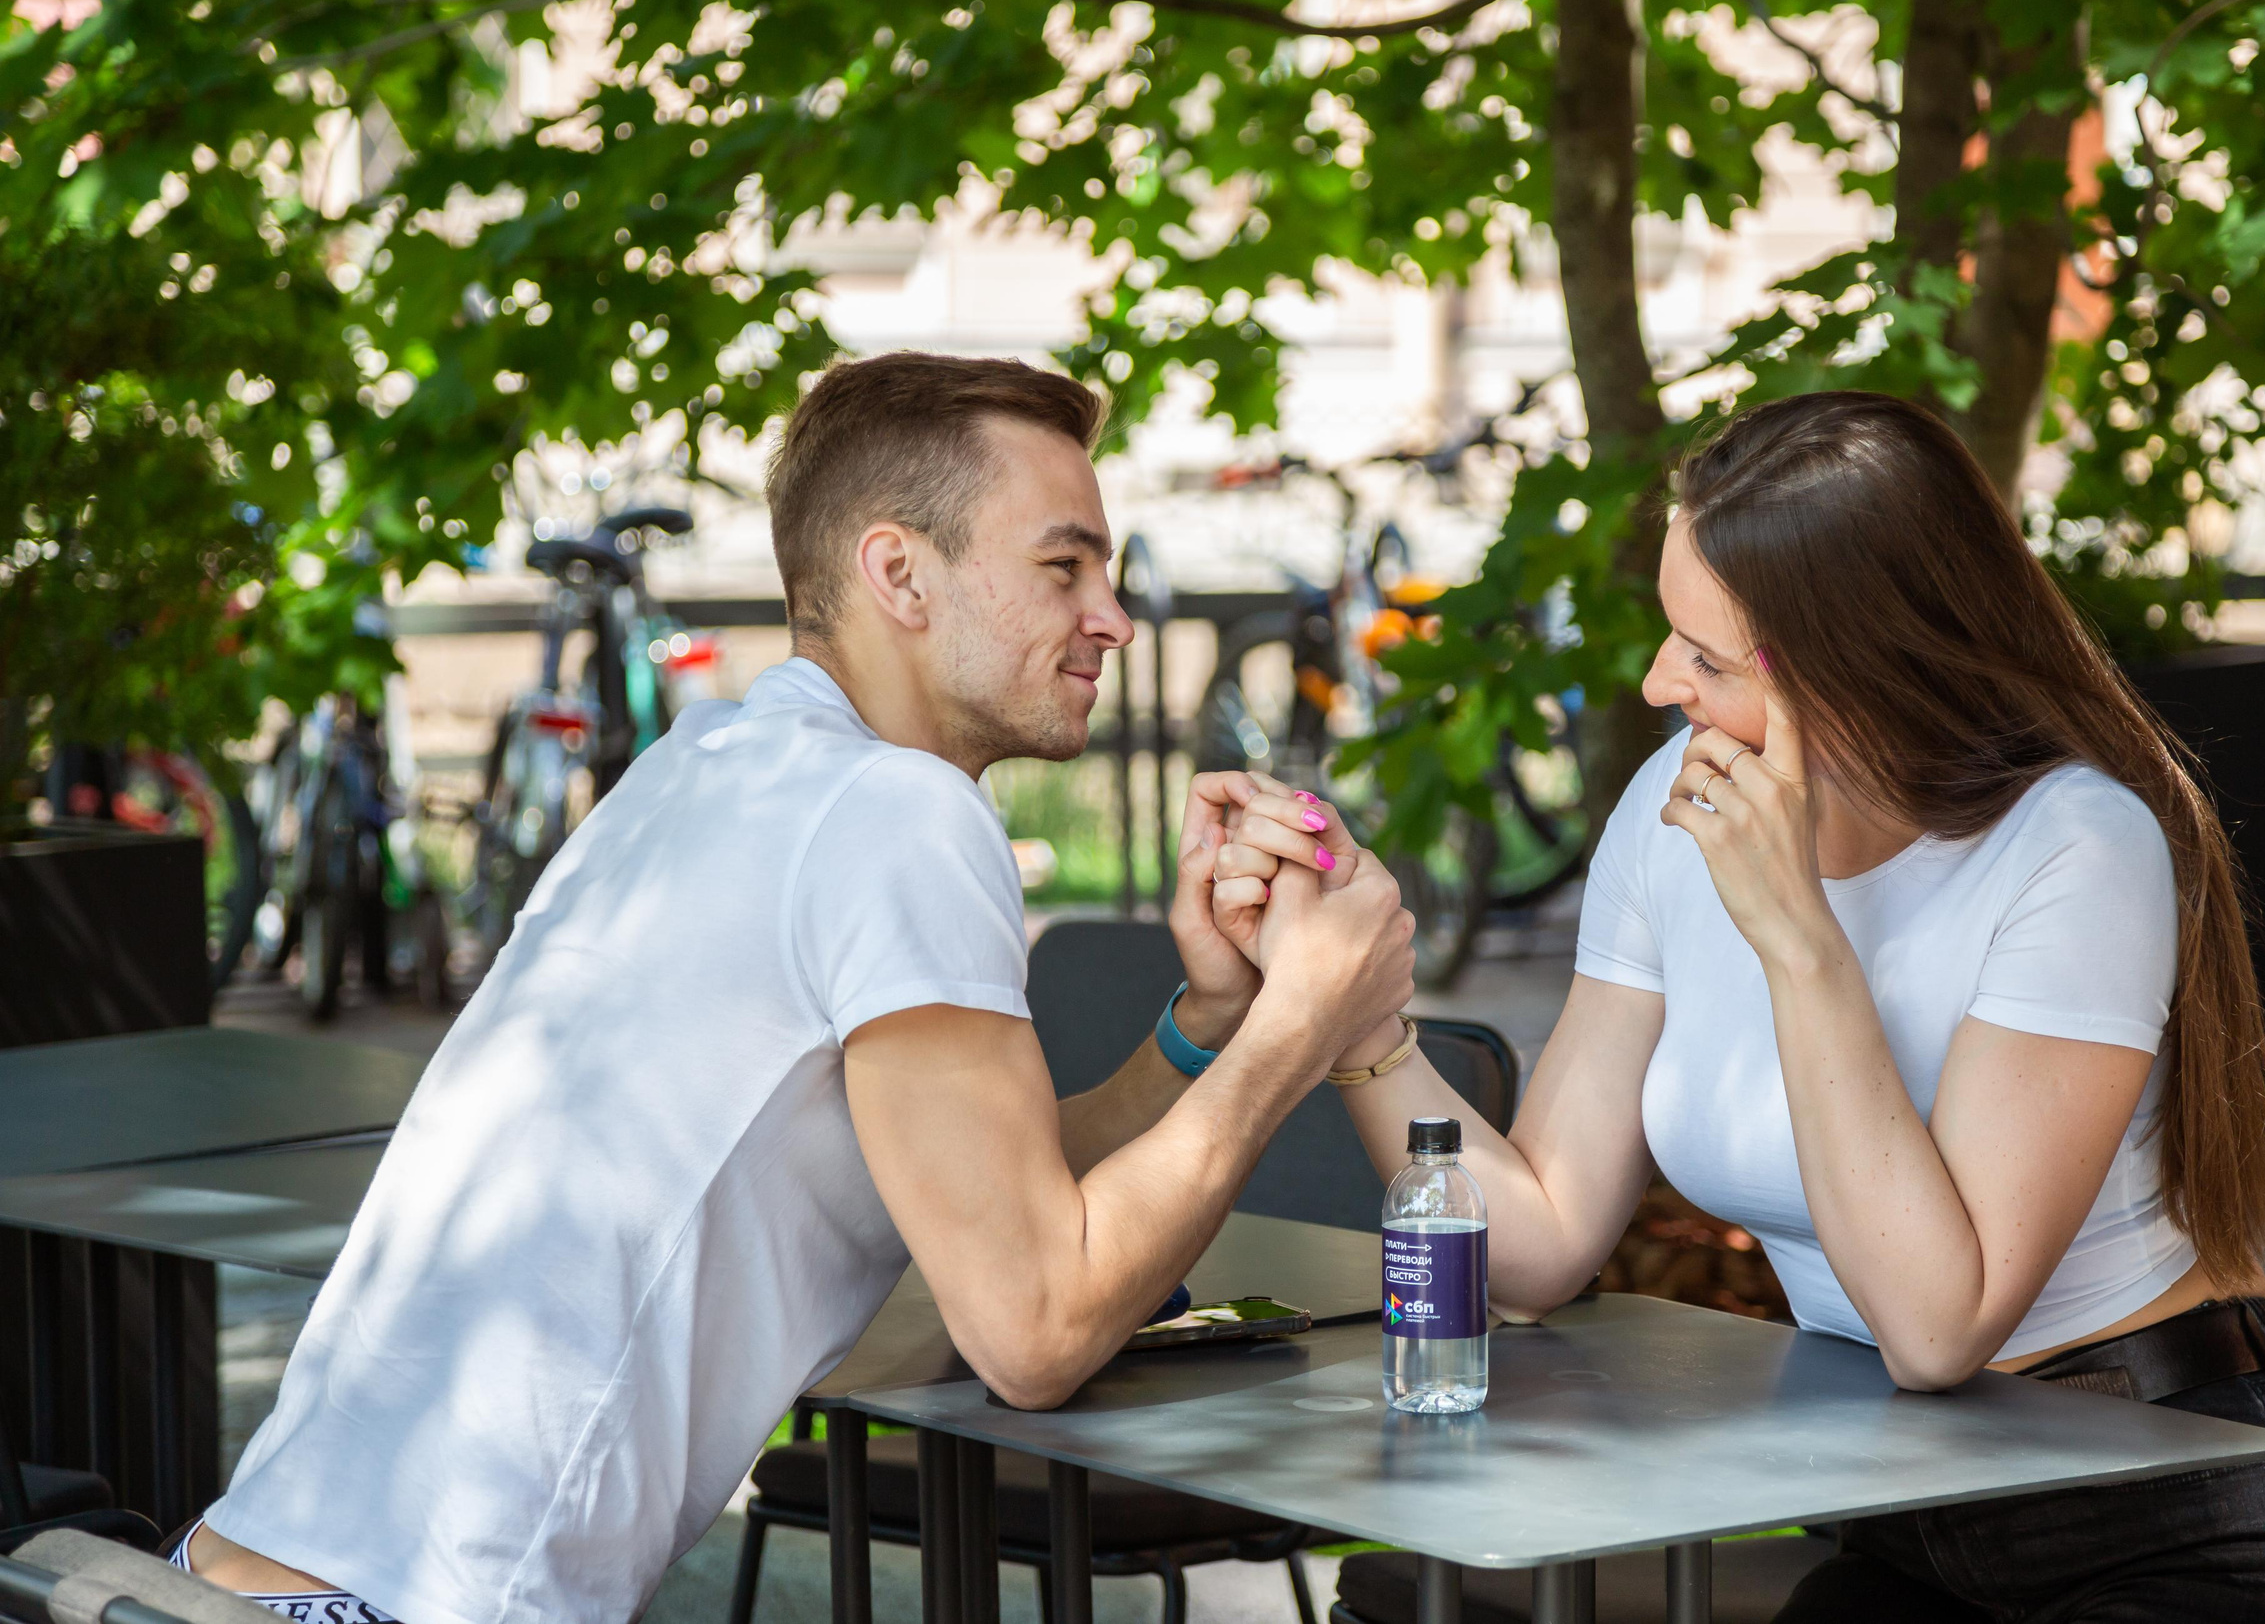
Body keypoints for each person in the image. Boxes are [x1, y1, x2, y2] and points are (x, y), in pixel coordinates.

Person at [178, 351, 1416, 1624]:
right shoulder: (900, 812)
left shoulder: (704, 763)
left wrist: (1208, 1026)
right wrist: (1301, 1024)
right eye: (1064, 566)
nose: (1112, 615)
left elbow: (1000, 1194)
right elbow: (1036, 1328)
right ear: (898, 574)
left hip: (218, 1575)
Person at [1216, 392, 2265, 1622]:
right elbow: (1544, 1241)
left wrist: (1799, 936)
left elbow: (1939, 1328)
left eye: (1706, 658)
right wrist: (1354, 1022)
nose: (1657, 678)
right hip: (1909, 1514)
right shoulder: (1673, 817)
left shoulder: (2075, 844)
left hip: (2174, 1511)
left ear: (1855, 672)